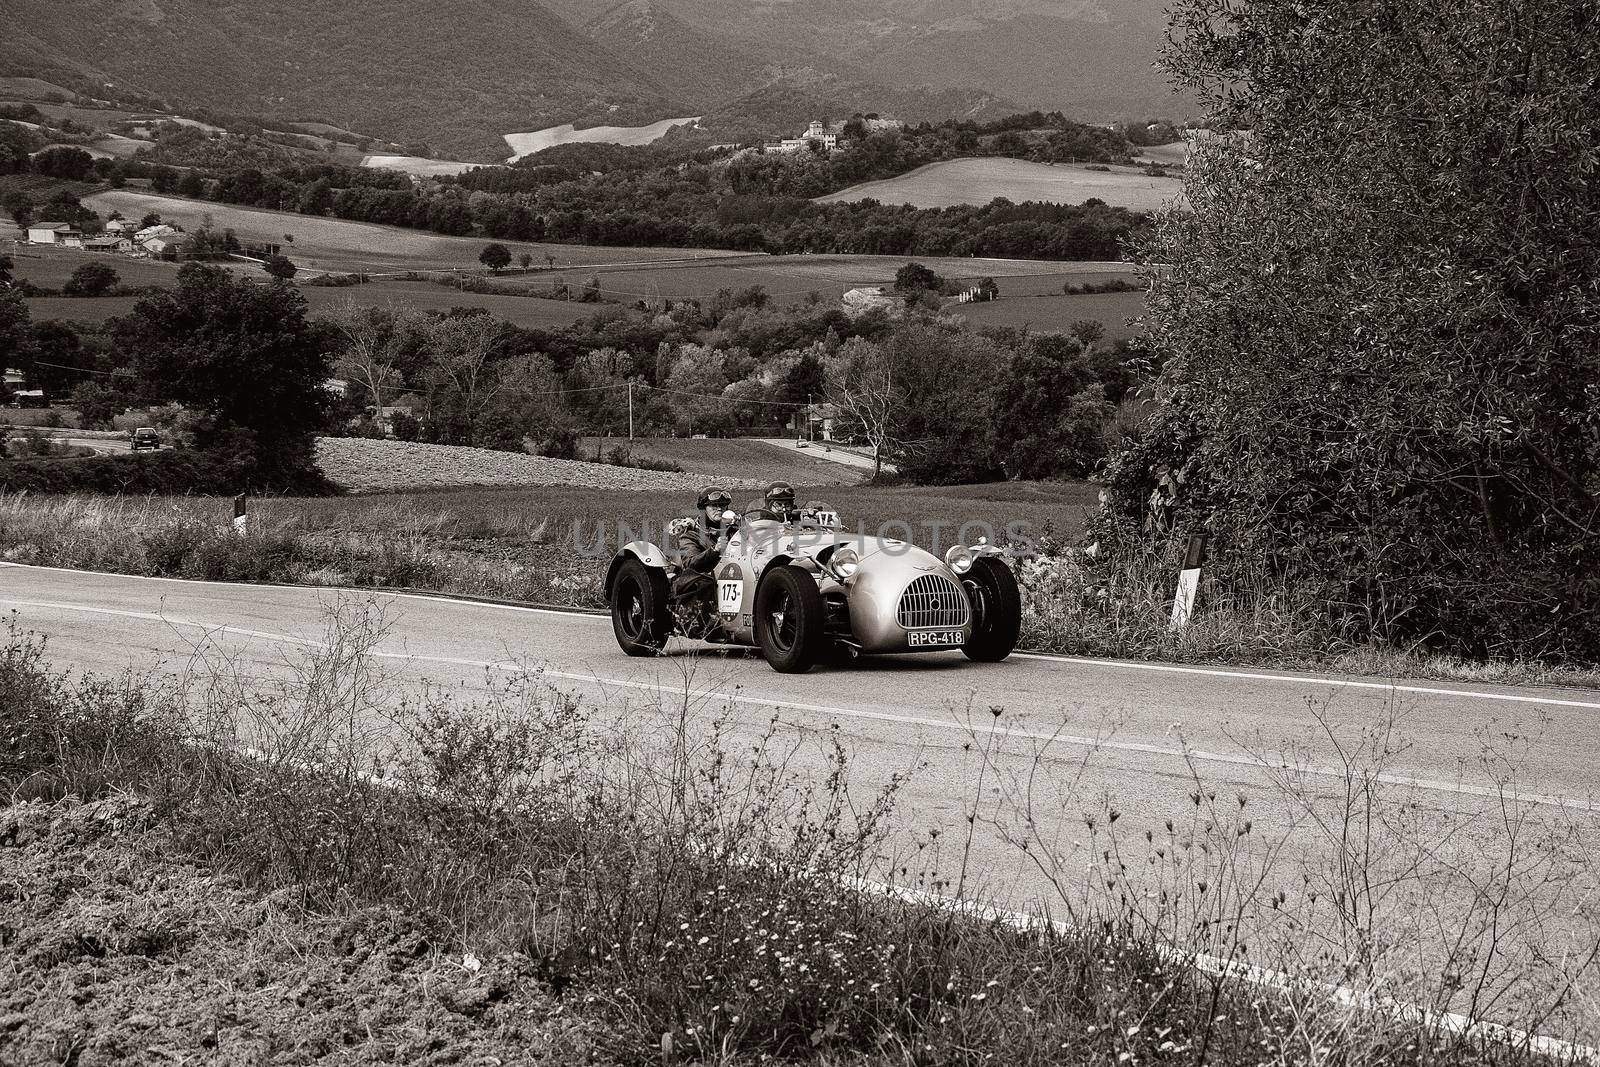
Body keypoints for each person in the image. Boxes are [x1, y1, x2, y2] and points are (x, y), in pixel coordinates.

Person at [668, 486, 733, 635]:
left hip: (731, 574)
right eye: (714, 506)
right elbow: (690, 563)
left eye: (723, 506)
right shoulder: (691, 535)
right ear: (704, 509)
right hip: (699, 579)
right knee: (705, 583)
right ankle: (706, 625)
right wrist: (714, 550)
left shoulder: (734, 530)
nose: (720, 509)